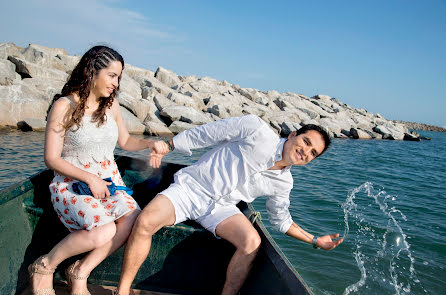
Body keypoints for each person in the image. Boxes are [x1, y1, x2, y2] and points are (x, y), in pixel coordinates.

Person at [116, 114, 344, 295]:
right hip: (192, 189)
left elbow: (281, 221)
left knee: (252, 242)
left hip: (221, 207)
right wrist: (170, 144)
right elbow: (208, 133)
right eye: (306, 142)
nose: (306, 151)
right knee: (145, 221)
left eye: (313, 153)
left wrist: (314, 240)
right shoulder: (256, 129)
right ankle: (123, 290)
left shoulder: (284, 183)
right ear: (293, 134)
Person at [28, 45, 168, 295]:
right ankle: (44, 266)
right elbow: (51, 158)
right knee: (103, 230)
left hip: (109, 184)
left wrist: (149, 144)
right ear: (91, 70)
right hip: (72, 185)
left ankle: (80, 272)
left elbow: (125, 142)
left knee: (132, 218)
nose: (116, 83)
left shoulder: (111, 106)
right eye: (112, 75)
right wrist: (90, 178)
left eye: (119, 77)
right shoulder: (64, 105)